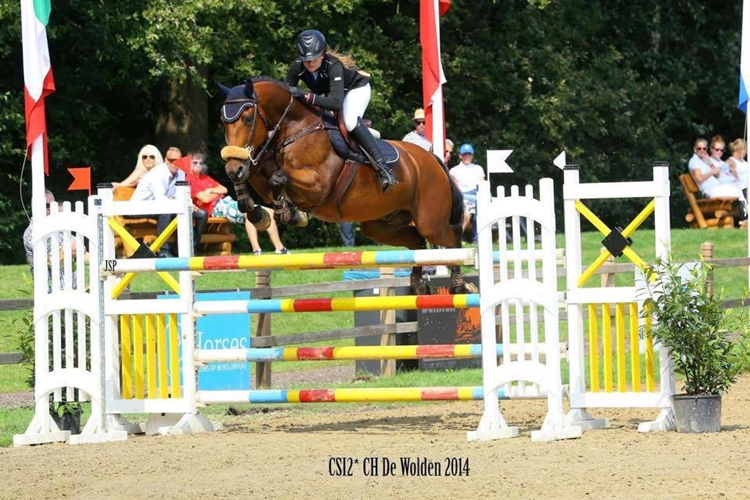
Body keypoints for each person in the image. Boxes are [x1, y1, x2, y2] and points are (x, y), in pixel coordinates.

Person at [284, 29, 397, 192]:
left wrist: (308, 97)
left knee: (350, 120)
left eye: (313, 58)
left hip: (356, 89)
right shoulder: (297, 67)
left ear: (322, 54)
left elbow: (336, 103)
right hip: (330, 93)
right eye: (305, 59)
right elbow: (286, 90)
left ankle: (383, 169)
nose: (309, 63)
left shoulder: (333, 65)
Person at [187, 152, 289, 255]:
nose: (199, 165)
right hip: (216, 208)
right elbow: (205, 199)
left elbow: (224, 189)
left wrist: (209, 191)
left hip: (227, 201)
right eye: (195, 163)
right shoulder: (189, 180)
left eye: (200, 163)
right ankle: (256, 250)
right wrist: (213, 192)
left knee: (270, 211)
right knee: (249, 213)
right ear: (189, 164)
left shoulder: (205, 178)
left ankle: (280, 248)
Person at [131, 151, 207, 257]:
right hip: (138, 208)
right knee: (166, 212)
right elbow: (161, 200)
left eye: (178, 160)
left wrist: (188, 204)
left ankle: (191, 247)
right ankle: (163, 251)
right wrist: (182, 204)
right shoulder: (157, 173)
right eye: (172, 160)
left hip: (159, 206)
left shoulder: (180, 172)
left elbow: (182, 194)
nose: (175, 163)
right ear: (166, 160)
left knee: (202, 214)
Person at [23, 190, 85, 290]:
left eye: (53, 206)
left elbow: (80, 248)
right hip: (49, 293)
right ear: (35, 207)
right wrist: (73, 248)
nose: (51, 210)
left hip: (72, 291)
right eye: (47, 206)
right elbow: (53, 258)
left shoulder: (59, 227)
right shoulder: (31, 232)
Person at [689, 137, 745, 201]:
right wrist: (712, 172)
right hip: (709, 191)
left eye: (704, 149)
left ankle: (744, 210)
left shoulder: (704, 160)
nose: (702, 151)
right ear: (694, 149)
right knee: (739, 192)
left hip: (716, 187)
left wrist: (709, 162)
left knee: (739, 191)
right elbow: (699, 179)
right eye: (699, 148)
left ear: (706, 149)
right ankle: (744, 210)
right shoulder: (695, 161)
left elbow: (717, 175)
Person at [450, 144, 486, 242]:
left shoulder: (478, 168)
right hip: (463, 196)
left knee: (478, 212)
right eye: (465, 154)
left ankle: (477, 238)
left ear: (472, 155)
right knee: (468, 213)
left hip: (477, 194)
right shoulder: (454, 170)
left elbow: (481, 184)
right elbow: (455, 188)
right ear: (460, 156)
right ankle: (458, 238)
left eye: (469, 154)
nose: (467, 156)